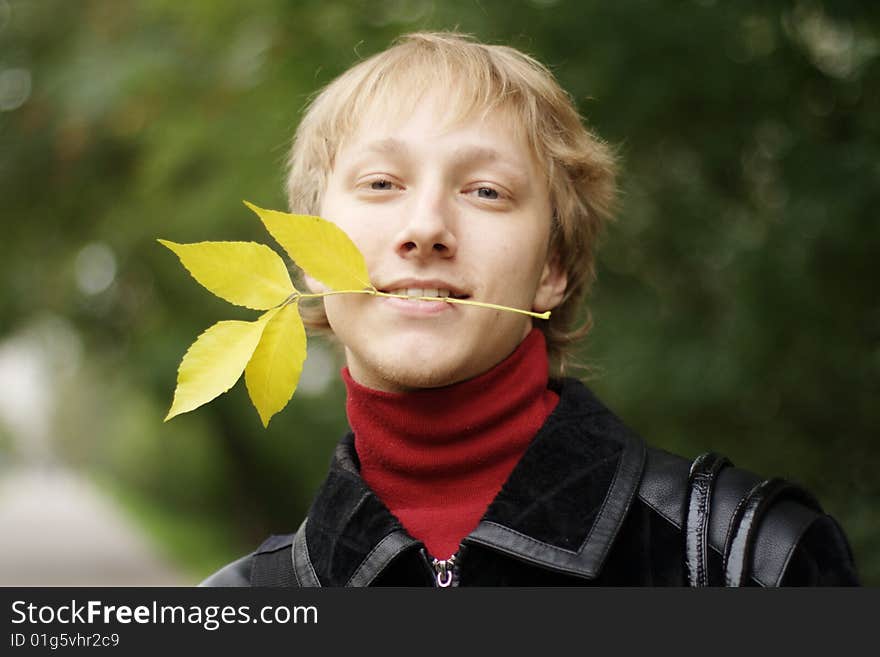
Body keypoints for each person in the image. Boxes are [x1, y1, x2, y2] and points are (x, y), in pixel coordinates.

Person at [201, 31, 858, 587]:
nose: (426, 226)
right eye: (381, 184)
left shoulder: (746, 563)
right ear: (307, 255)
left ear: (552, 269)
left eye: (485, 190)